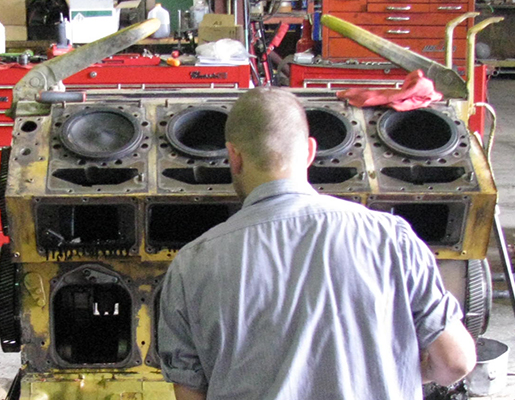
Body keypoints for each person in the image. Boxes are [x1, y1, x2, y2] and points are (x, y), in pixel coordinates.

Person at [157, 87, 476, 399]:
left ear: (234, 157)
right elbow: (456, 361)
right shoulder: (392, 237)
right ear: (310, 151)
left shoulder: (192, 263)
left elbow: (189, 392)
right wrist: (405, 371)